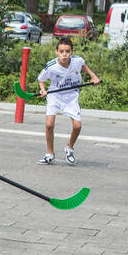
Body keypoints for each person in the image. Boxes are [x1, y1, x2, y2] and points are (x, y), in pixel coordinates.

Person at [36, 37, 101, 165]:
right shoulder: (51, 66)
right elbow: (41, 80)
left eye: (67, 51)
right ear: (56, 52)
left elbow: (84, 67)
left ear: (71, 52)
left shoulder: (77, 61)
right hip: (55, 96)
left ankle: (69, 148)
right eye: (61, 51)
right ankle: (50, 154)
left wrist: (94, 77)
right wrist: (43, 90)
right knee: (49, 125)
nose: (64, 54)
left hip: (71, 96)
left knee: (78, 125)